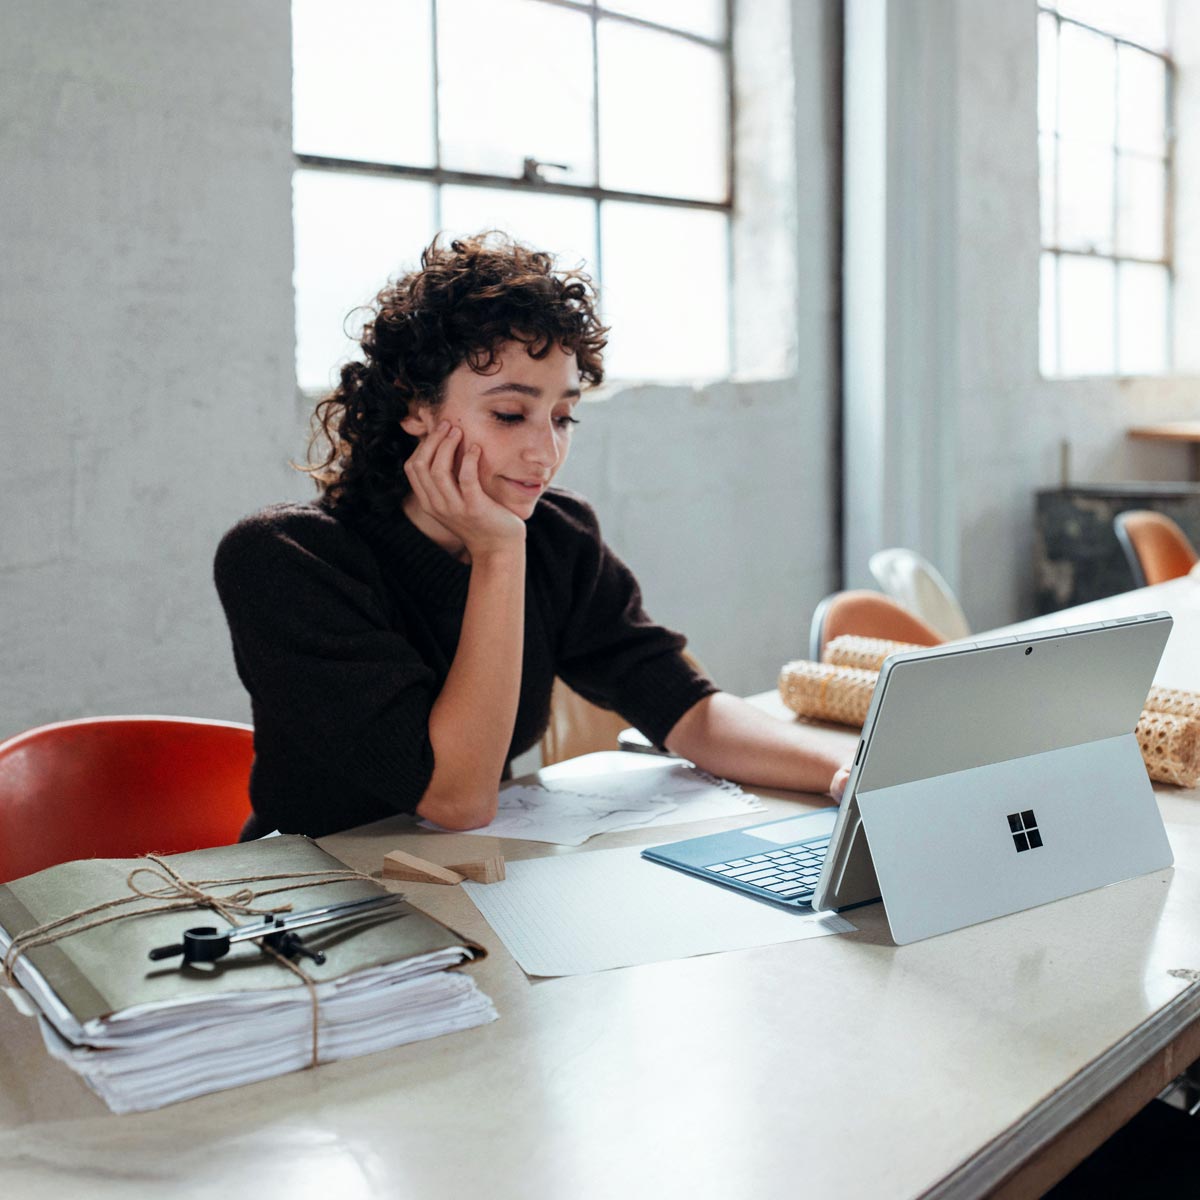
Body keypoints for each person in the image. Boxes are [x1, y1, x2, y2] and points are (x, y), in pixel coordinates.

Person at [215, 232, 851, 838]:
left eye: (563, 417)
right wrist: (496, 553)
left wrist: (846, 774)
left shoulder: (555, 538)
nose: (545, 453)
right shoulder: (286, 560)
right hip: (312, 899)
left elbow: (686, 709)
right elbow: (457, 797)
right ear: (415, 407)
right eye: (510, 414)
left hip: (471, 878)